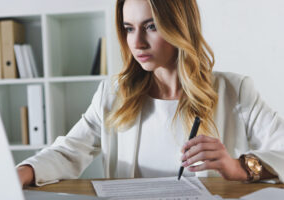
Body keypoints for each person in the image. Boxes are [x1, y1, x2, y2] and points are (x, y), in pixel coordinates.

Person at [17, 0, 284, 187]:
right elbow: (69, 151)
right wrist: (22, 172)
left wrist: (239, 167)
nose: (137, 42)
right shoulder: (113, 95)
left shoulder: (234, 91)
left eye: (151, 26)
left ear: (179, 26)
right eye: (129, 28)